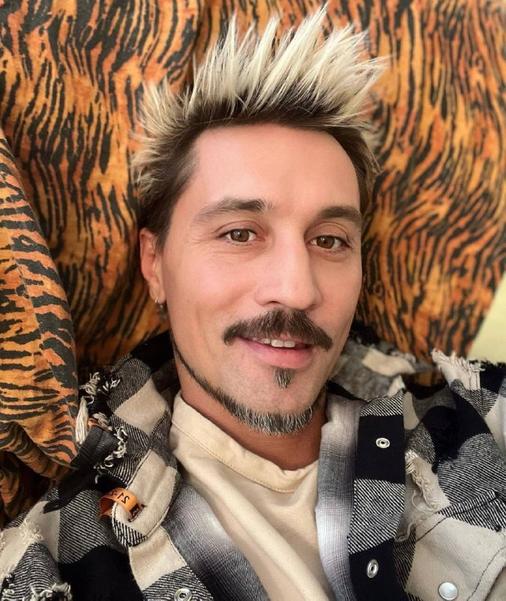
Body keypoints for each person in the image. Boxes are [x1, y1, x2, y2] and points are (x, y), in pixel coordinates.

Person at [1, 9, 504, 601]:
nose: (297, 289)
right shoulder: (50, 568)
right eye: (240, 233)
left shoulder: (485, 423)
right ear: (155, 263)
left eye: (330, 241)